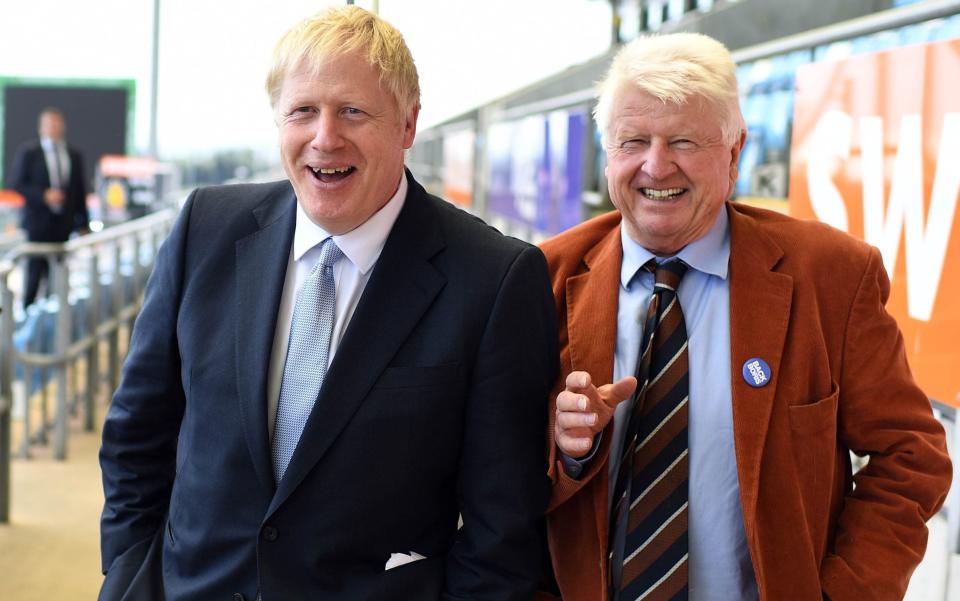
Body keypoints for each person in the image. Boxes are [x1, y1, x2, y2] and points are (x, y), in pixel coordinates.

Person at [98, 7, 557, 601]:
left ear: (409, 123)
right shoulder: (204, 229)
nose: (325, 137)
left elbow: (502, 533)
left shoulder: (495, 279)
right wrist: (130, 576)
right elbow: (138, 431)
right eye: (303, 111)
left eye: (352, 111)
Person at [540, 33, 951, 601]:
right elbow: (491, 478)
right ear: (608, 155)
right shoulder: (545, 278)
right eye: (633, 141)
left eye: (683, 141)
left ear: (734, 154)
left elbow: (911, 457)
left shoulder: (830, 276)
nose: (656, 166)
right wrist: (564, 450)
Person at [10, 107, 89, 306]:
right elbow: (16, 183)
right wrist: (43, 195)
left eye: (57, 124)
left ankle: (52, 324)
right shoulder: (29, 153)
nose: (54, 128)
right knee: (34, 278)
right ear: (41, 128)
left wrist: (83, 223)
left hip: (63, 226)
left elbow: (79, 191)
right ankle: (28, 319)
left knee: (58, 281)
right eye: (49, 124)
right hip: (37, 225)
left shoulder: (73, 154)